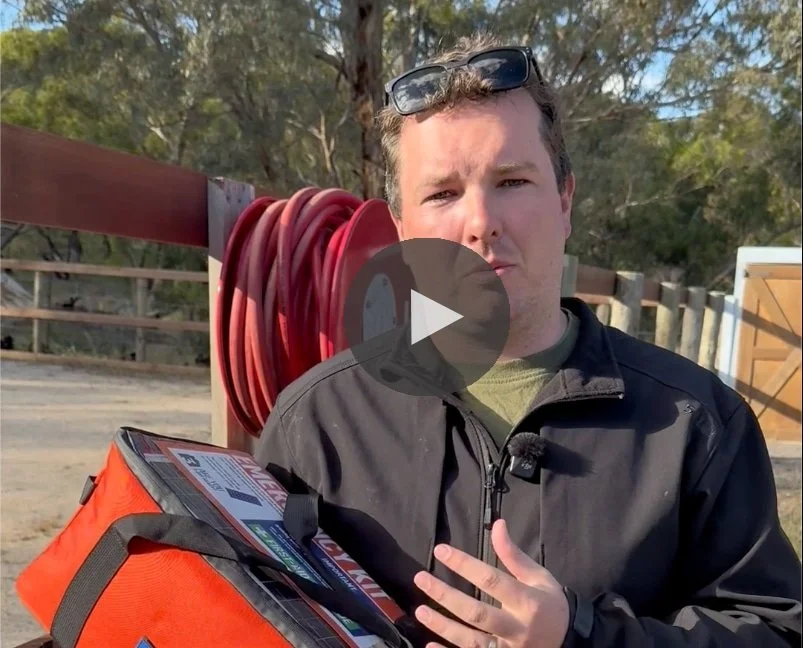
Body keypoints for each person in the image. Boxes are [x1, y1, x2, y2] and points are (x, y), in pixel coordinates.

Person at [254, 32, 802, 648]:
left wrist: (582, 636)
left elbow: (775, 632)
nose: (481, 221)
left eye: (512, 181)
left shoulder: (696, 425)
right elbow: (260, 613)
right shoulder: (316, 424)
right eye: (442, 194)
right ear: (403, 230)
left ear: (565, 201)